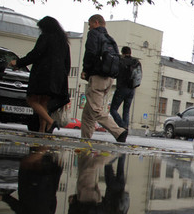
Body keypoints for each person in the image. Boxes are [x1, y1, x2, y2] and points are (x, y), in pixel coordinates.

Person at [10, 16, 70, 133]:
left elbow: (35, 54)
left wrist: (18, 62)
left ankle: (51, 122)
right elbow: (67, 62)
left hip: (43, 75)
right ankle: (42, 130)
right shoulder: (64, 42)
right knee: (44, 103)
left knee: (32, 100)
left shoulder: (45, 37)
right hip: (57, 77)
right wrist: (62, 77)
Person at [80, 14, 128, 142]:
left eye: (90, 24)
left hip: (97, 77)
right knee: (87, 113)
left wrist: (86, 69)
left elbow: (90, 53)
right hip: (109, 78)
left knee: (95, 110)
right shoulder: (110, 39)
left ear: (96, 22)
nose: (89, 28)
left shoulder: (94, 34)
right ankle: (85, 140)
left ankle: (118, 132)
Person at [109, 46, 139, 129]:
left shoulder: (121, 61)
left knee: (113, 109)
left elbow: (115, 73)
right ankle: (125, 129)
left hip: (122, 88)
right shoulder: (135, 62)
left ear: (122, 53)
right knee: (126, 111)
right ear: (130, 52)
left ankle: (123, 126)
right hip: (132, 89)